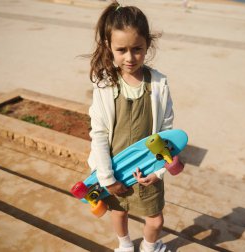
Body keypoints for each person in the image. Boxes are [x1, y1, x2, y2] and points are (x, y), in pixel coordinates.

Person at [87, 2, 174, 252]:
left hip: (149, 170)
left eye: (137, 49)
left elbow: (167, 132)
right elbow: (100, 135)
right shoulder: (105, 85)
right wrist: (107, 178)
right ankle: (124, 245)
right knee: (118, 214)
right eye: (121, 49)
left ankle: (149, 247)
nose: (130, 57)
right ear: (109, 47)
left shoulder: (158, 84)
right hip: (116, 170)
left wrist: (158, 173)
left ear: (147, 45)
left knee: (156, 220)